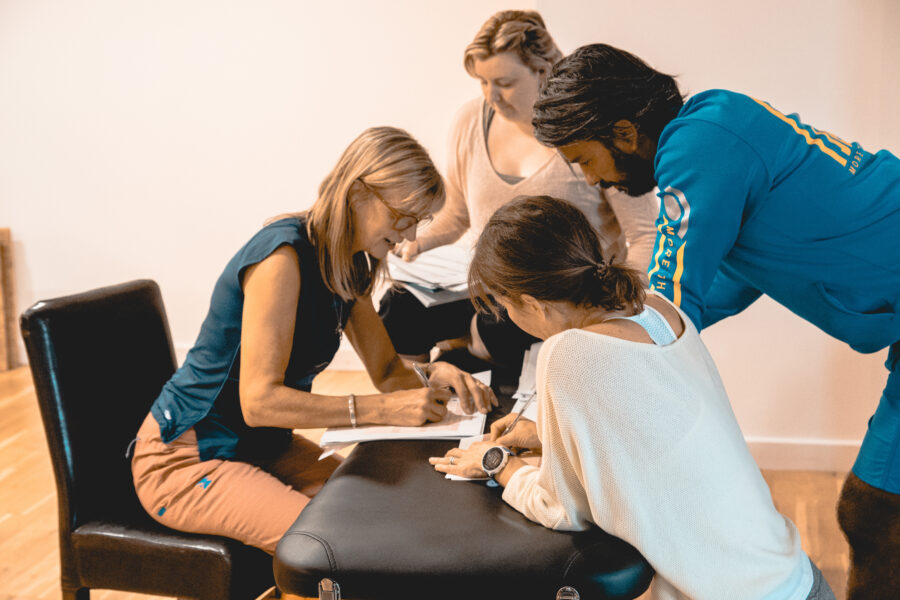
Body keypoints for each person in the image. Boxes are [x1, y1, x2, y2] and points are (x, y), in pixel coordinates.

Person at [530, 43, 900, 599]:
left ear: (626, 134)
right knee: (874, 513)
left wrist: (568, 383)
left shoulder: (698, 146)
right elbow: (700, 299)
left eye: (584, 158)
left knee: (873, 513)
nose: (592, 180)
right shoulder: (717, 125)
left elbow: (668, 299)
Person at [431, 195, 836, 599]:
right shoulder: (659, 311)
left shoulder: (567, 353)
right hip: (797, 577)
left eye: (504, 306)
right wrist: (547, 437)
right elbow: (654, 434)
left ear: (531, 303)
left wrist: (496, 463)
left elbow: (561, 509)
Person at [131, 126, 496, 554]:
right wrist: (381, 410)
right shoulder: (281, 258)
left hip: (262, 447)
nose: (410, 236)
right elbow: (259, 402)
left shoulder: (350, 264)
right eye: (404, 217)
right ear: (360, 192)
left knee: (384, 517)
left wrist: (435, 374)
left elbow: (387, 372)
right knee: (334, 549)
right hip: (188, 458)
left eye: (418, 222)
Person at [378, 10, 658, 369]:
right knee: (397, 305)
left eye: (505, 83)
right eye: (482, 82)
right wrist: (416, 244)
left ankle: (465, 353)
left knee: (503, 322)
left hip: (556, 294)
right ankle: (414, 405)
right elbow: (458, 214)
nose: (491, 96)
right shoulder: (469, 121)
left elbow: (644, 234)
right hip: (488, 285)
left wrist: (619, 311)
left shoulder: (586, 133)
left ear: (542, 71)